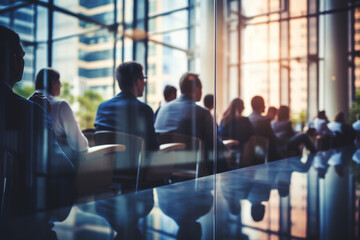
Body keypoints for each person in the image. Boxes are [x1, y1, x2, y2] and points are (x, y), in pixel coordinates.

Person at [0, 26, 75, 239]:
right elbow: (63, 170)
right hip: (20, 224)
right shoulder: (30, 111)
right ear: (13, 59)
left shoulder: (27, 108)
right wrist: (35, 112)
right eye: (21, 56)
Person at [155, 72, 226, 173]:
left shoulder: (163, 110)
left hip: (165, 166)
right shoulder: (202, 112)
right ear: (197, 89)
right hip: (193, 167)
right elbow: (213, 143)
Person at [94, 61, 159, 152]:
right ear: (137, 81)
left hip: (106, 164)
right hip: (137, 165)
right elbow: (153, 148)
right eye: (143, 79)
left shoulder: (102, 108)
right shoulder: (144, 110)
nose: (145, 83)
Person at [29, 68, 88, 162]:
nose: (60, 85)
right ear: (53, 83)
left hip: (31, 163)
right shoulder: (61, 105)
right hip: (59, 165)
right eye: (59, 82)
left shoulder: (26, 103)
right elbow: (79, 145)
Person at [248, 95, 279, 161]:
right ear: (262, 105)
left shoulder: (248, 119)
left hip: (252, 151)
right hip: (265, 152)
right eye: (264, 104)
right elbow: (272, 138)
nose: (265, 106)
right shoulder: (265, 120)